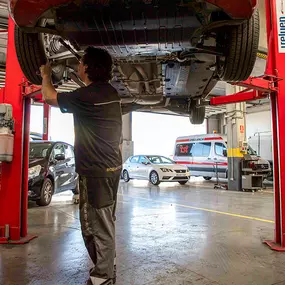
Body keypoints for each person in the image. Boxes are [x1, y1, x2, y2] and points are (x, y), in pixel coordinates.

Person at [40, 47, 122, 285]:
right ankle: (108, 265)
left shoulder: (88, 96)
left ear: (87, 67)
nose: (78, 66)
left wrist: (46, 75)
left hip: (96, 172)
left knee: (95, 224)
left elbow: (48, 97)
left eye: (80, 63)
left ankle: (103, 277)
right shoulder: (110, 92)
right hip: (110, 169)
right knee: (105, 220)